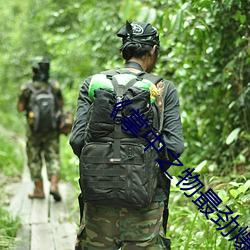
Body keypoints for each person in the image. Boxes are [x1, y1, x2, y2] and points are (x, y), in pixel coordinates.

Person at [70, 21, 184, 249]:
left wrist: (105, 165)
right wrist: (143, 168)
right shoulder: (163, 89)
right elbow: (173, 147)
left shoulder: (93, 84)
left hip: (98, 203)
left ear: (124, 50)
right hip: (146, 207)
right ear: (153, 50)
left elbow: (77, 140)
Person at [17, 57, 64, 202]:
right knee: (53, 157)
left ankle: (39, 190)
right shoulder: (54, 86)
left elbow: (19, 108)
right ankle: (54, 186)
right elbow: (61, 104)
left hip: (33, 131)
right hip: (52, 129)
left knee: (34, 159)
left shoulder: (27, 88)